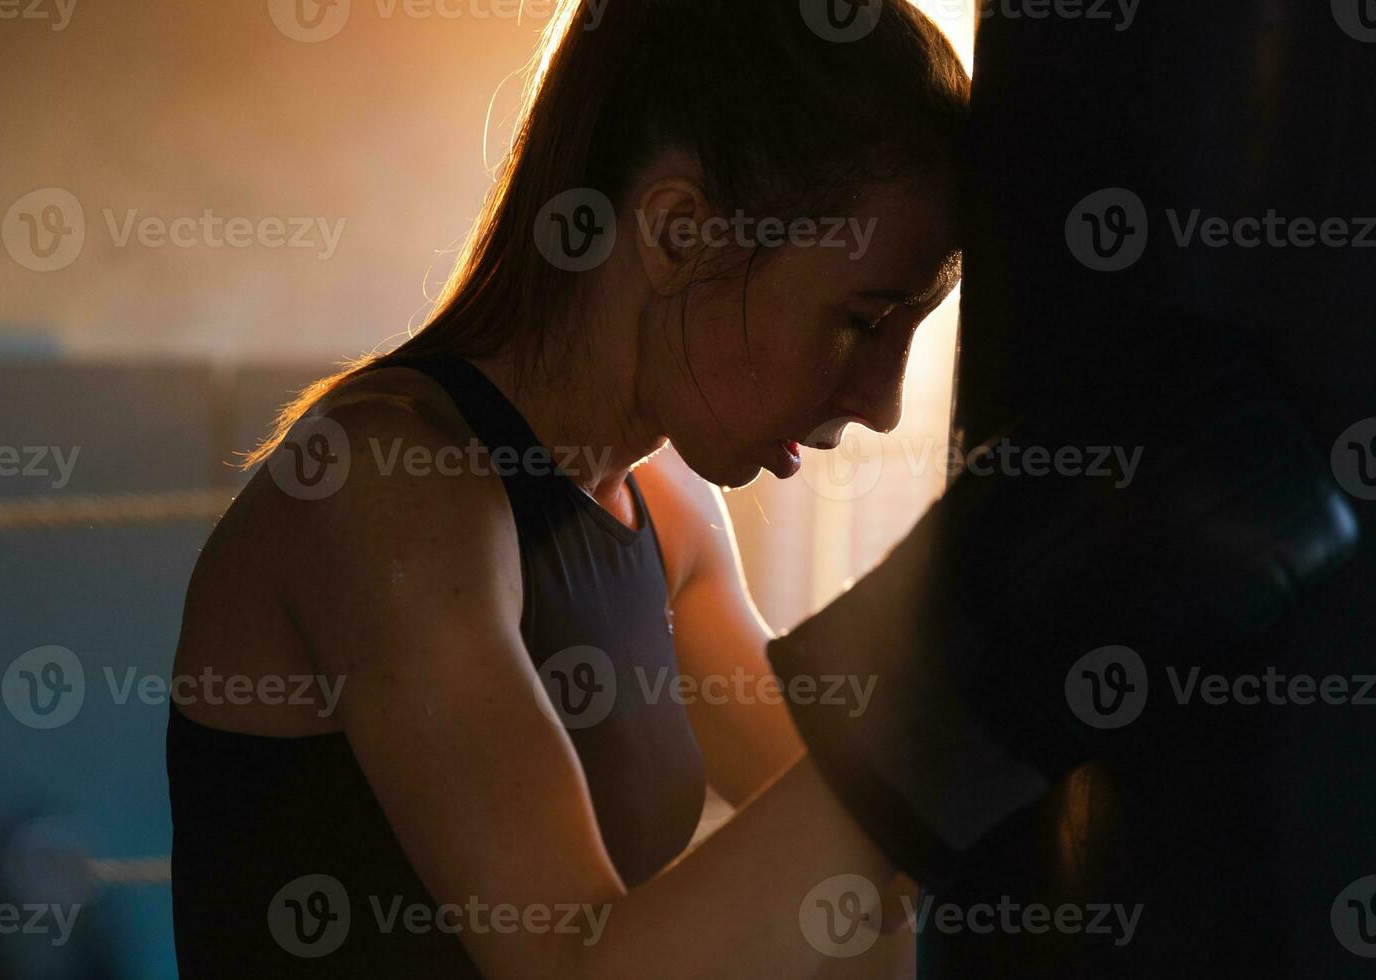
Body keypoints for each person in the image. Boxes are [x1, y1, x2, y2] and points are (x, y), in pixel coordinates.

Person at [165, 0, 969, 975]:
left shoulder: (668, 514)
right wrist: (969, 664)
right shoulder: (386, 482)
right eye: (863, 319)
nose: (884, 401)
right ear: (676, 232)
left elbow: (875, 857)